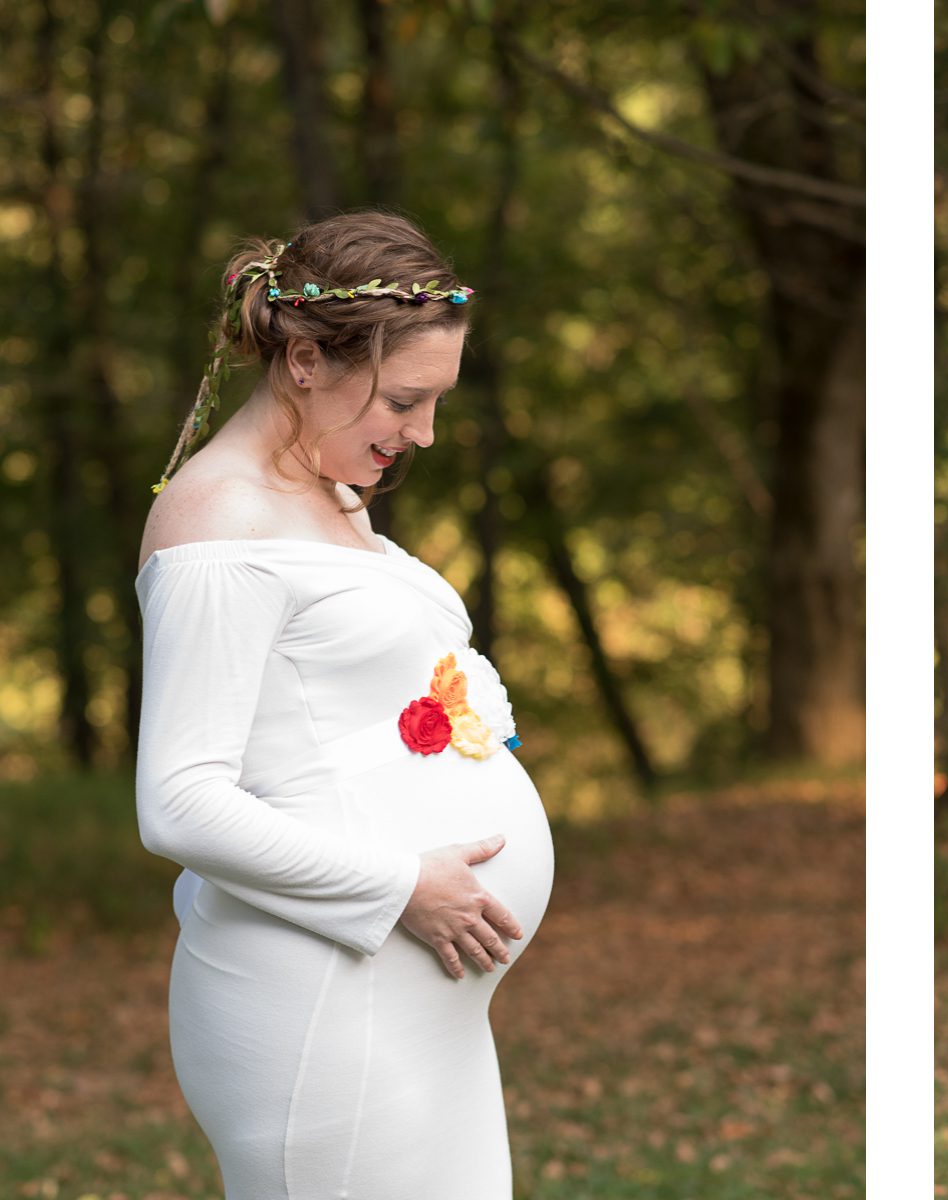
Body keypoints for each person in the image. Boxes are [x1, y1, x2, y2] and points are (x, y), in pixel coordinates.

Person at [135, 211, 554, 1198]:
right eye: (405, 400)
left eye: (436, 401)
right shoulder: (218, 519)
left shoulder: (330, 496)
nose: (424, 433)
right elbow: (179, 803)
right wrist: (400, 884)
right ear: (306, 360)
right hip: (323, 1005)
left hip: (412, 1006)